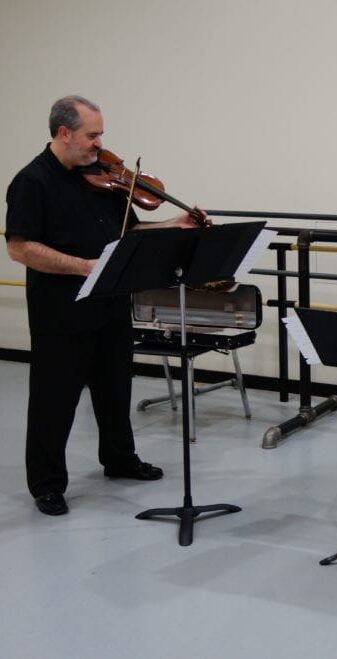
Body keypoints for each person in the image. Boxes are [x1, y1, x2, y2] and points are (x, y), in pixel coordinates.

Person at [5, 95, 208, 516]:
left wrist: (175, 223)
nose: (99, 144)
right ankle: (46, 483)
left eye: (100, 135)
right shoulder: (32, 182)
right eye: (91, 135)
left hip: (112, 303)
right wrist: (84, 266)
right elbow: (21, 248)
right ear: (64, 133)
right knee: (54, 400)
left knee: (115, 389)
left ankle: (119, 459)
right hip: (62, 310)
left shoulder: (102, 178)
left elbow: (131, 231)